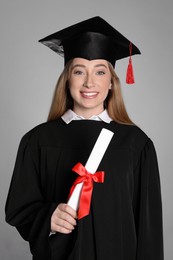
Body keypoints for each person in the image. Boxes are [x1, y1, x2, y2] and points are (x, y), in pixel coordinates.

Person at [5, 16, 164, 260]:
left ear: (111, 82)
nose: (89, 82)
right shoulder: (37, 140)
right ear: (67, 79)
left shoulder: (136, 143)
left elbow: (148, 230)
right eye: (79, 71)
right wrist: (48, 217)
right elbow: (19, 209)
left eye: (100, 71)